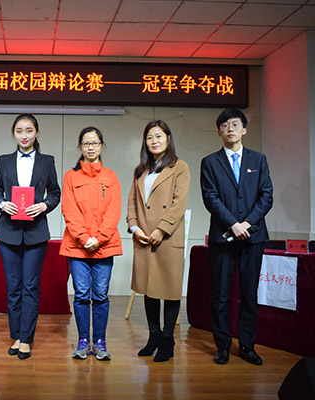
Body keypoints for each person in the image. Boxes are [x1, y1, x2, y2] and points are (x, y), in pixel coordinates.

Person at [200, 108, 273, 365]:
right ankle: (222, 345)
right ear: (219, 132)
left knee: (249, 294)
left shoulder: (258, 160)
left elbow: (266, 196)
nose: (230, 129)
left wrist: (248, 223)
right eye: (224, 125)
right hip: (223, 237)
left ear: (244, 129)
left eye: (235, 124)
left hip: (254, 237)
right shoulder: (210, 162)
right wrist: (233, 224)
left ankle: (247, 345)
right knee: (220, 294)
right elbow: (211, 198)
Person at [0, 113, 61, 359]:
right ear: (14, 133)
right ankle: (17, 336)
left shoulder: (47, 161)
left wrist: (44, 205)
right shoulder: (4, 160)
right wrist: (2, 204)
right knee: (13, 287)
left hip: (36, 232)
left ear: (36, 133)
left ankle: (26, 338)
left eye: (29, 130)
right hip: (8, 232)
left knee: (30, 286)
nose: (24, 135)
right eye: (19, 131)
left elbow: (55, 193)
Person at [126, 120, 190, 362]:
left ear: (168, 139)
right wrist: (134, 227)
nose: (154, 141)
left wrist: (161, 230)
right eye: (149, 137)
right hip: (144, 238)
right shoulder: (140, 170)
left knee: (170, 291)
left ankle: (167, 340)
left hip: (167, 237)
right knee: (149, 289)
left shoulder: (179, 167)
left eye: (158, 136)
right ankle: (153, 336)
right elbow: (132, 203)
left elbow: (179, 204)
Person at [60, 127, 122, 361]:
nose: (91, 147)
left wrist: (100, 237)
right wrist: (85, 238)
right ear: (80, 147)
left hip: (105, 246)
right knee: (81, 295)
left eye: (95, 143)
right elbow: (69, 210)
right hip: (78, 247)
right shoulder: (70, 176)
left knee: (101, 295)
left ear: (101, 145)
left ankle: (100, 342)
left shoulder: (111, 176)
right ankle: (83, 341)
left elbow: (114, 211)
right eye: (86, 143)